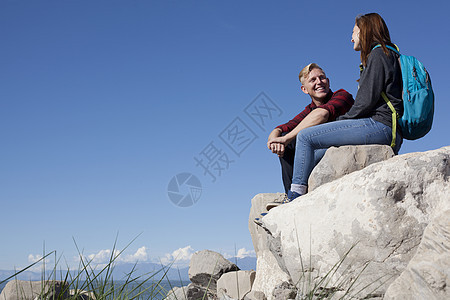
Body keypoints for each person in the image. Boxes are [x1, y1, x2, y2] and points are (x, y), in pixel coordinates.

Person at [266, 13, 403, 210]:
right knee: (301, 152)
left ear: (365, 31)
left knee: (304, 137)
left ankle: (295, 198)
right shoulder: (379, 56)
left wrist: (341, 121)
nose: (351, 37)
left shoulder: (378, 55)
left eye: (354, 32)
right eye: (313, 80)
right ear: (304, 89)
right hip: (379, 125)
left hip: (381, 125)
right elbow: (286, 125)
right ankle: (294, 193)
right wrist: (275, 137)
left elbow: (364, 103)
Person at [267, 63, 354, 195]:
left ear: (328, 81)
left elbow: (322, 114)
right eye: (313, 80)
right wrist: (274, 140)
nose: (319, 82)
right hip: (320, 149)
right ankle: (290, 194)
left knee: (290, 139)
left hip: (344, 145)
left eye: (322, 78)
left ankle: (296, 193)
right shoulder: (309, 110)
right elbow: (283, 127)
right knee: (287, 144)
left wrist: (285, 138)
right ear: (304, 89)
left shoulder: (342, 96)